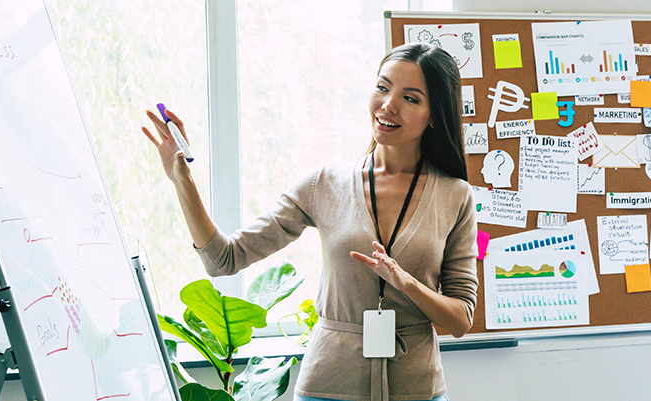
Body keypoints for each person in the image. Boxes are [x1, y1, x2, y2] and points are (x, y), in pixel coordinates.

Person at [141, 43, 476, 401]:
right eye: (382, 87)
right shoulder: (324, 185)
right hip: (328, 388)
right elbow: (223, 259)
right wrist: (183, 182)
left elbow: (460, 319)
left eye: (411, 98)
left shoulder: (455, 195)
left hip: (418, 391)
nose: (388, 105)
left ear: (435, 114)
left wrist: (405, 281)